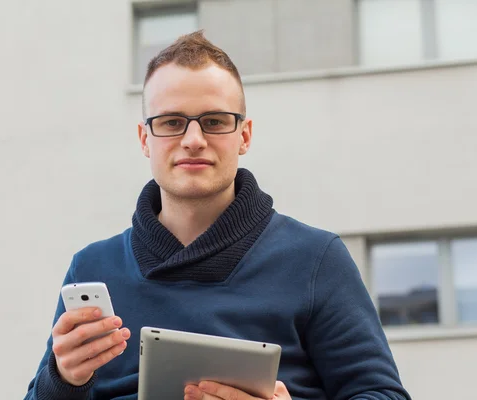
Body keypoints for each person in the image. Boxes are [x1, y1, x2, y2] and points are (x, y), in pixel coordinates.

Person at [23, 31, 411, 400]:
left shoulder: (315, 258)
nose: (193, 140)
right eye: (172, 122)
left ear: (244, 135)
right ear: (145, 139)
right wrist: (64, 380)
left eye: (214, 121)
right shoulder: (92, 268)